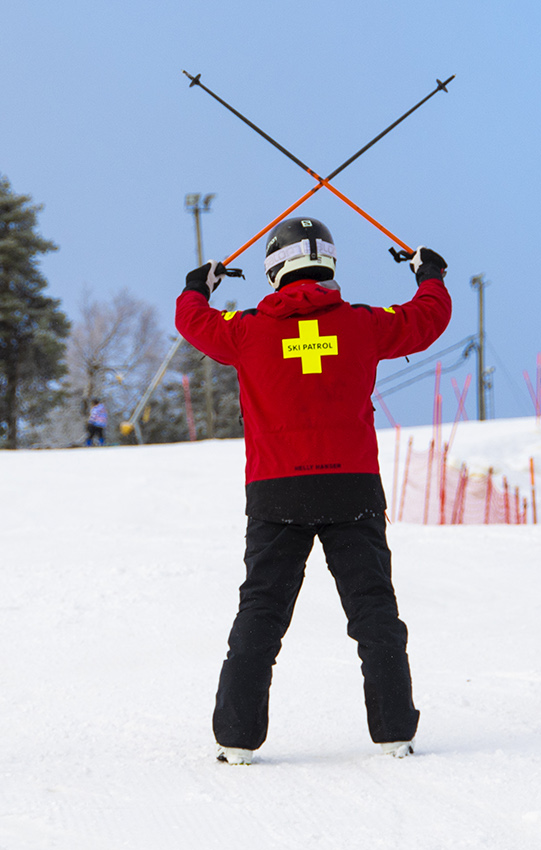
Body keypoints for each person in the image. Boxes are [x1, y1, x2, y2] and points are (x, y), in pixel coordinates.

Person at [175, 217, 451, 765]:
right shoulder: (365, 324)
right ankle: (395, 731)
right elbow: (426, 319)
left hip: (277, 490)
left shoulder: (246, 330)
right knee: (374, 611)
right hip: (352, 487)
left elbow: (193, 321)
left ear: (274, 269)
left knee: (261, 612)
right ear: (328, 265)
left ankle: (236, 738)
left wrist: (196, 287)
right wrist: (430, 275)